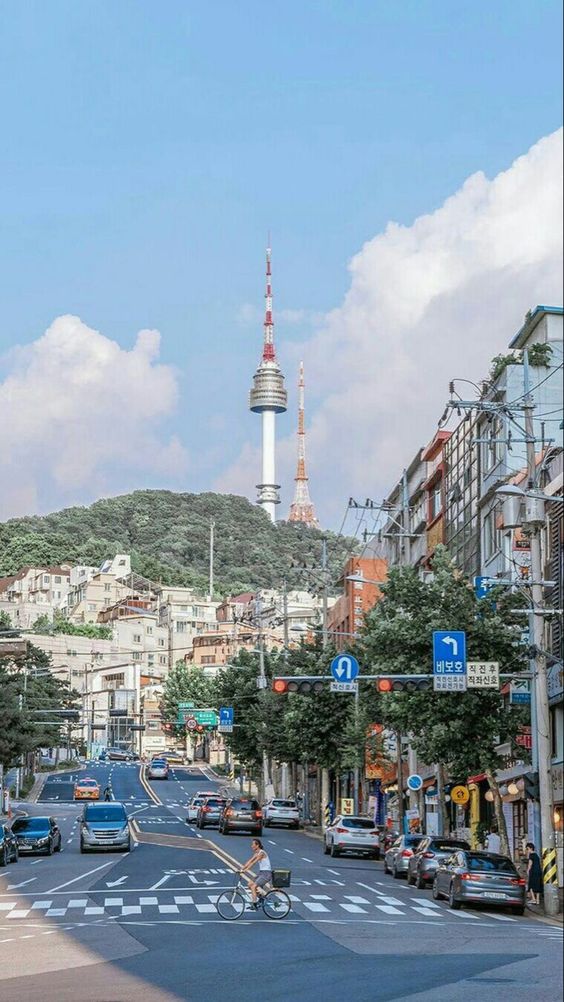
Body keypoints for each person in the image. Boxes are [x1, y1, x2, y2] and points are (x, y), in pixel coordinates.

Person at [239, 838, 273, 910]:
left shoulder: (262, 853)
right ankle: (261, 898)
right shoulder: (256, 853)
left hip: (266, 874)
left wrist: (246, 870)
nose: (251, 846)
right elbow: (250, 861)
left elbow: (254, 862)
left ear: (257, 845)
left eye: (253, 844)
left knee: (253, 887)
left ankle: (254, 905)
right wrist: (242, 868)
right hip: (261, 873)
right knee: (249, 884)